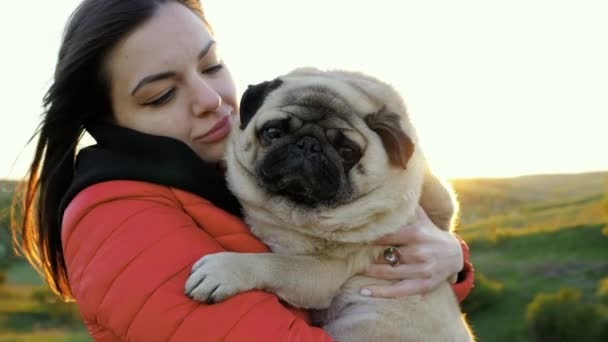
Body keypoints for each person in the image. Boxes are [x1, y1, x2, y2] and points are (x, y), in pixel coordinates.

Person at [12, 0, 474, 341]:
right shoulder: (118, 221)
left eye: (211, 66)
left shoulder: (223, 167)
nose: (210, 100)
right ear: (107, 121)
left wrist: (447, 257)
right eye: (161, 96)